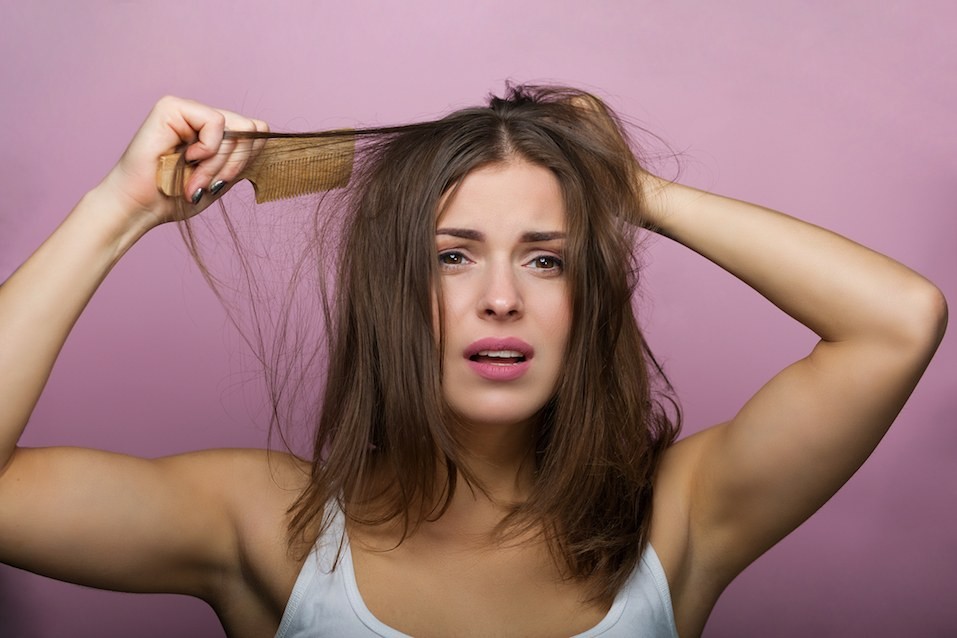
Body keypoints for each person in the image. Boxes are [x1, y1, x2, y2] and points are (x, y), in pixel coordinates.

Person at [0, 85, 946, 638]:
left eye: (546, 257)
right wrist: (117, 211)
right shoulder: (261, 523)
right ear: (391, 292)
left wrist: (636, 191)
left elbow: (898, 320)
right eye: (452, 256)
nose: (502, 295)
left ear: (589, 300)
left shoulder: (681, 513)